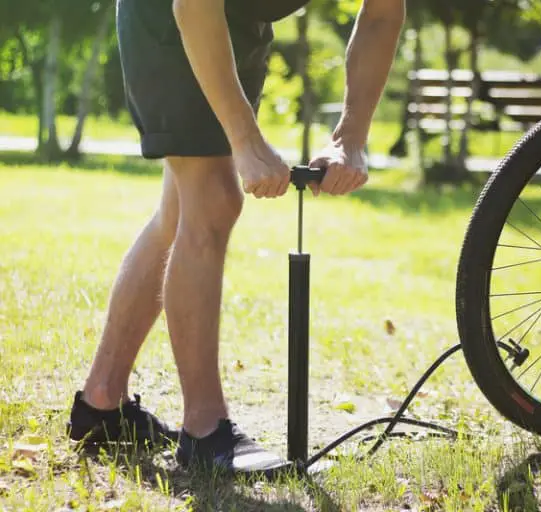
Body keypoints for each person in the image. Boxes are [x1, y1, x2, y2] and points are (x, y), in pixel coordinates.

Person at [66, 0, 405, 477]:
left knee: (180, 211)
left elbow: (383, 14)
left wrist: (350, 136)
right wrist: (245, 140)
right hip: (173, 14)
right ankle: (204, 430)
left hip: (240, 27)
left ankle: (101, 403)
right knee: (214, 198)